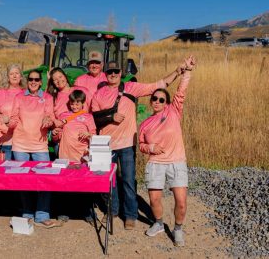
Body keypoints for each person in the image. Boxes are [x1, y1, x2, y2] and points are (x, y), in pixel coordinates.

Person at [91, 60, 186, 230]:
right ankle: (112, 211)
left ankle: (130, 215)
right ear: (105, 73)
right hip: (106, 144)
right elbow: (95, 118)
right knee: (109, 181)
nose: (113, 74)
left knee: (128, 180)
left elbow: (158, 85)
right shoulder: (99, 94)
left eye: (116, 71)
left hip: (127, 143)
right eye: (110, 72)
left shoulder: (130, 88)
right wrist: (110, 118)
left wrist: (177, 71)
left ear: (121, 73)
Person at [139, 56, 196, 247]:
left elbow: (181, 92)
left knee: (181, 201)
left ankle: (178, 229)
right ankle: (159, 224)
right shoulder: (145, 123)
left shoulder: (173, 112)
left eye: (161, 99)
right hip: (155, 163)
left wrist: (187, 72)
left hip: (176, 162)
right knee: (154, 199)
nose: (156, 101)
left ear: (166, 102)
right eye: (154, 98)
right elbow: (141, 145)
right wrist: (151, 148)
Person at [8, 70, 59, 228]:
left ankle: (42, 214)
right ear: (27, 80)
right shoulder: (19, 97)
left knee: (45, 179)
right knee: (23, 180)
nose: (34, 82)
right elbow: (14, 116)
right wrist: (8, 122)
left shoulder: (47, 98)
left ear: (41, 82)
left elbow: (50, 116)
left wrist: (48, 120)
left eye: (37, 79)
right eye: (31, 79)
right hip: (20, 144)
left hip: (40, 145)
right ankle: (27, 213)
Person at [0, 64, 25, 160]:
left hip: (23, 143)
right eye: (11, 74)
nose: (14, 76)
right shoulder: (0, 93)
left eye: (17, 73)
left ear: (21, 76)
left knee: (21, 172)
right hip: (6, 140)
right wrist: (1, 121)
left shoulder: (26, 93)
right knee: (5, 171)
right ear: (7, 77)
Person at [55, 89, 96, 161]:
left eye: (77, 104)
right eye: (72, 104)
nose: (74, 106)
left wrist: (88, 134)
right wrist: (54, 134)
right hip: (65, 154)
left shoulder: (88, 116)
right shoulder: (63, 115)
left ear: (83, 103)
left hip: (81, 154)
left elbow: (94, 136)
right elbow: (57, 136)